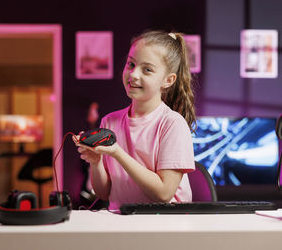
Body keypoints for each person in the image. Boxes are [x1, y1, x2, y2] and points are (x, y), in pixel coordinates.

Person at [74, 30, 197, 210]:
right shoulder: (109, 122)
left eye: (147, 70)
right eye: (131, 64)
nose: (133, 74)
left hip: (167, 225)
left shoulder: (172, 124)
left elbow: (163, 194)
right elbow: (102, 193)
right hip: (124, 222)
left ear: (168, 80)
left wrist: (117, 153)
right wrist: (96, 162)